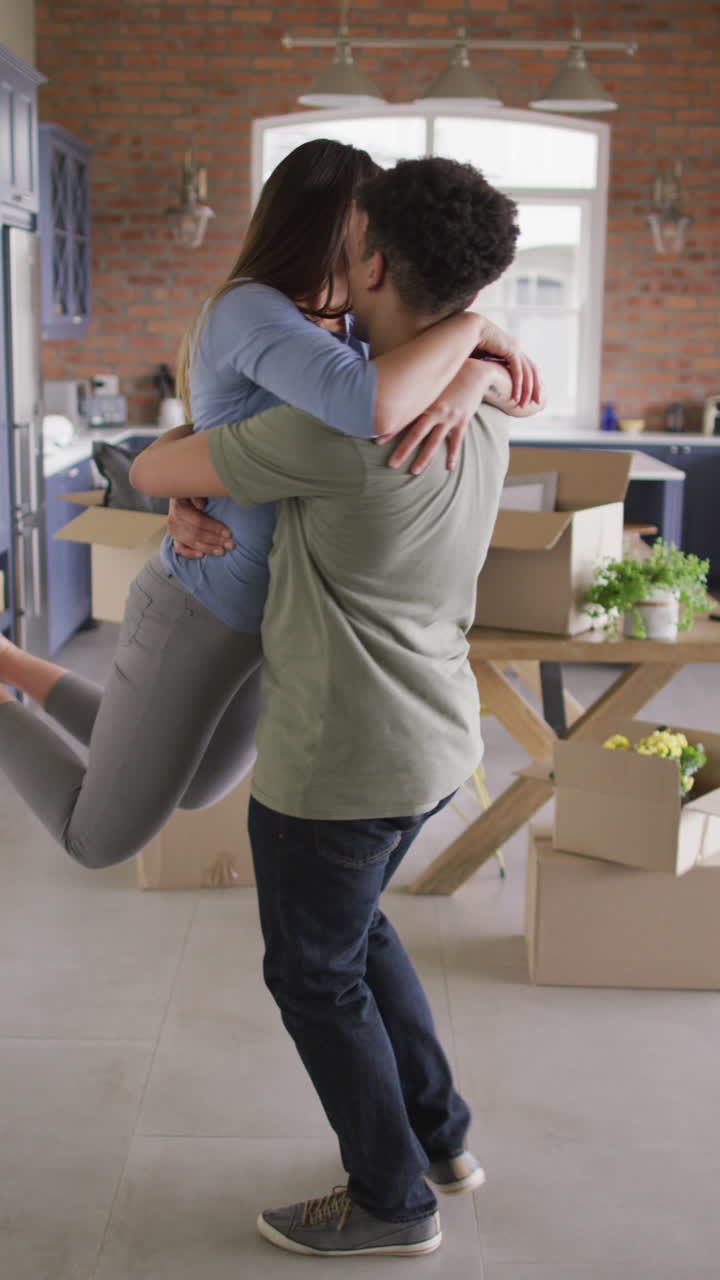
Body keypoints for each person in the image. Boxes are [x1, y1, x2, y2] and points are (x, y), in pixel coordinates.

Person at [130, 156, 544, 1258]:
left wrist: (178, 495)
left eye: (348, 242)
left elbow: (157, 464)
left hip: (337, 755)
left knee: (310, 971)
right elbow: (443, 364)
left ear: (368, 261)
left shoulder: (337, 433)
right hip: (433, 740)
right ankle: (441, 1135)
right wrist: (475, 351)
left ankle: (390, 1194)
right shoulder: (491, 403)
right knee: (356, 931)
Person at [0, 139, 538, 866]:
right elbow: (365, 406)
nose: (372, 248)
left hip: (278, 613)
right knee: (97, 839)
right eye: (363, 229)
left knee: (192, 787)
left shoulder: (348, 323)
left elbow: (522, 392)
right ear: (325, 227)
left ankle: (12, 662)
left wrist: (477, 376)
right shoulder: (251, 308)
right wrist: (473, 331)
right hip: (202, 602)